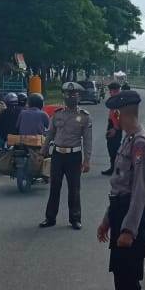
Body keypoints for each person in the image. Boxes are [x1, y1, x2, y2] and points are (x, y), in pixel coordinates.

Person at [96, 89, 145, 290]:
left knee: (130, 280)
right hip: (120, 211)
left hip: (133, 217)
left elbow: (139, 191)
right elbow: (119, 186)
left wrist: (129, 229)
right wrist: (108, 220)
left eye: (115, 114)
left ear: (122, 114)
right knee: (120, 277)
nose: (114, 119)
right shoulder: (129, 140)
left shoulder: (141, 143)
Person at [40, 82, 92, 230]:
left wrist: (87, 160)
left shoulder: (84, 117)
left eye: (73, 94)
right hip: (57, 155)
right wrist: (43, 150)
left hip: (74, 156)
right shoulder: (57, 114)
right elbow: (50, 133)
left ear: (79, 96)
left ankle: (75, 218)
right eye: (68, 94)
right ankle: (50, 218)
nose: (70, 97)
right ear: (64, 96)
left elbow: (87, 140)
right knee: (54, 187)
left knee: (74, 189)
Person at [101, 81, 123, 176]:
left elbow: (117, 116)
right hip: (113, 125)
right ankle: (113, 167)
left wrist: (115, 128)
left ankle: (116, 168)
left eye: (111, 91)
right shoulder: (115, 100)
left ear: (116, 90)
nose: (109, 93)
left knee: (114, 148)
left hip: (115, 126)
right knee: (112, 148)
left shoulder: (118, 101)